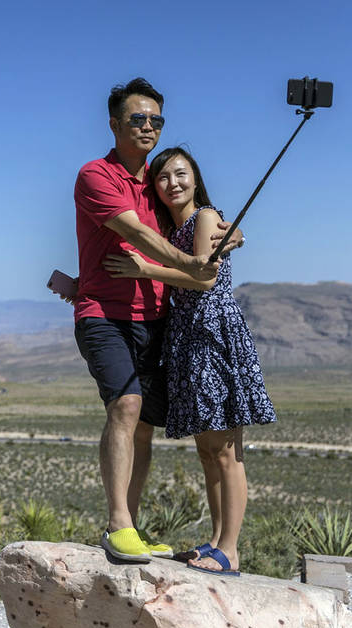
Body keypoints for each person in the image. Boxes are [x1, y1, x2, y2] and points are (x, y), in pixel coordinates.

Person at [71, 78, 242, 563]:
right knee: (125, 406)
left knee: (144, 423)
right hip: (105, 316)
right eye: (137, 120)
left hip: (157, 320)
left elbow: (202, 216)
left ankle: (134, 524)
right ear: (114, 124)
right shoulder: (95, 175)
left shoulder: (154, 182)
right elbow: (138, 234)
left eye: (156, 121)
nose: (148, 128)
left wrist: (230, 236)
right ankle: (117, 525)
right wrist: (191, 265)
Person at [102, 146, 276, 575]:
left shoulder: (203, 219)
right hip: (186, 340)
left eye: (180, 174)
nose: (172, 183)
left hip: (211, 336)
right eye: (162, 178)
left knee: (226, 451)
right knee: (207, 449)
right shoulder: (175, 227)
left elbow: (204, 277)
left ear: (195, 178)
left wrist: (146, 270)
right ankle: (217, 541)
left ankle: (230, 549)